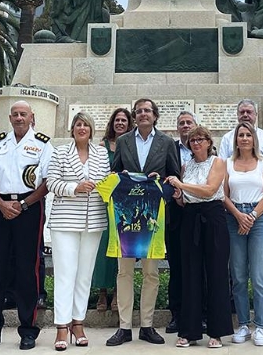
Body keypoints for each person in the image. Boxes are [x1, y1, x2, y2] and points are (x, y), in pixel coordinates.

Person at [0, 101, 54, 350]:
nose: (19, 118)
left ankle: (28, 330)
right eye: (15, 114)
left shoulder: (42, 144)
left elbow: (47, 181)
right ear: (9, 118)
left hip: (29, 209)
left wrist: (23, 205)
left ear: (32, 117)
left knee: (27, 269)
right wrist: (0, 204)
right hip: (0, 210)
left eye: (23, 114)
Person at [105, 98, 180, 346]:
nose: (143, 114)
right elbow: (114, 174)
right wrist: (121, 177)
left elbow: (175, 177)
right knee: (124, 272)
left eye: (147, 111)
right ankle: (124, 327)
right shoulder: (124, 141)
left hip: (152, 218)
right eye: (139, 111)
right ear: (134, 116)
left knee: (151, 273)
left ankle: (147, 326)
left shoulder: (167, 143)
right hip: (126, 218)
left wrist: (162, 182)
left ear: (155, 116)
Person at [44, 112, 111, 350]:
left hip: (93, 221)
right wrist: (75, 187)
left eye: (86, 125)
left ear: (92, 130)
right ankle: (61, 327)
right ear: (72, 129)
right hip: (65, 222)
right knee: (65, 274)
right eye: (78, 124)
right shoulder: (60, 151)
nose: (82, 128)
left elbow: (105, 181)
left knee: (84, 275)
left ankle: (78, 323)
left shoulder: (102, 153)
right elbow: (51, 182)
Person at [165, 126, 232, 348]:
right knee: (190, 274)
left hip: (213, 217)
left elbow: (210, 190)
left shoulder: (218, 162)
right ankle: (189, 330)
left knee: (216, 272)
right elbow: (185, 199)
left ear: (208, 142)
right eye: (192, 140)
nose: (196, 143)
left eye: (200, 139)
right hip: (191, 218)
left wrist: (180, 184)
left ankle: (217, 331)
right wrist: (177, 195)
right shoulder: (186, 166)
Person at [223, 122, 263, 347]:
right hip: (234, 216)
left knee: (259, 276)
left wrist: (251, 216)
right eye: (240, 135)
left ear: (254, 139)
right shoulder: (227, 163)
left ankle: (260, 326)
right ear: (235, 139)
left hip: (260, 218)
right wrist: (238, 215)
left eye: (248, 135)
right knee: (238, 275)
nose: (244, 138)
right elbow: (222, 195)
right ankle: (243, 324)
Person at [93, 107, 132, 312]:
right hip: (105, 201)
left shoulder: (132, 145)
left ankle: (118, 292)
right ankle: (102, 292)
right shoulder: (102, 146)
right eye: (117, 120)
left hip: (124, 203)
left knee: (121, 247)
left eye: (124, 120)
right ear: (112, 123)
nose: (120, 123)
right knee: (103, 247)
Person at [168, 110, 197, 334]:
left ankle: (200, 313)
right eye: (181, 123)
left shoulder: (207, 149)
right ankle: (176, 314)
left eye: (189, 122)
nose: (185, 126)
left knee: (200, 266)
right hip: (176, 215)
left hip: (200, 214)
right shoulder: (171, 148)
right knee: (177, 266)